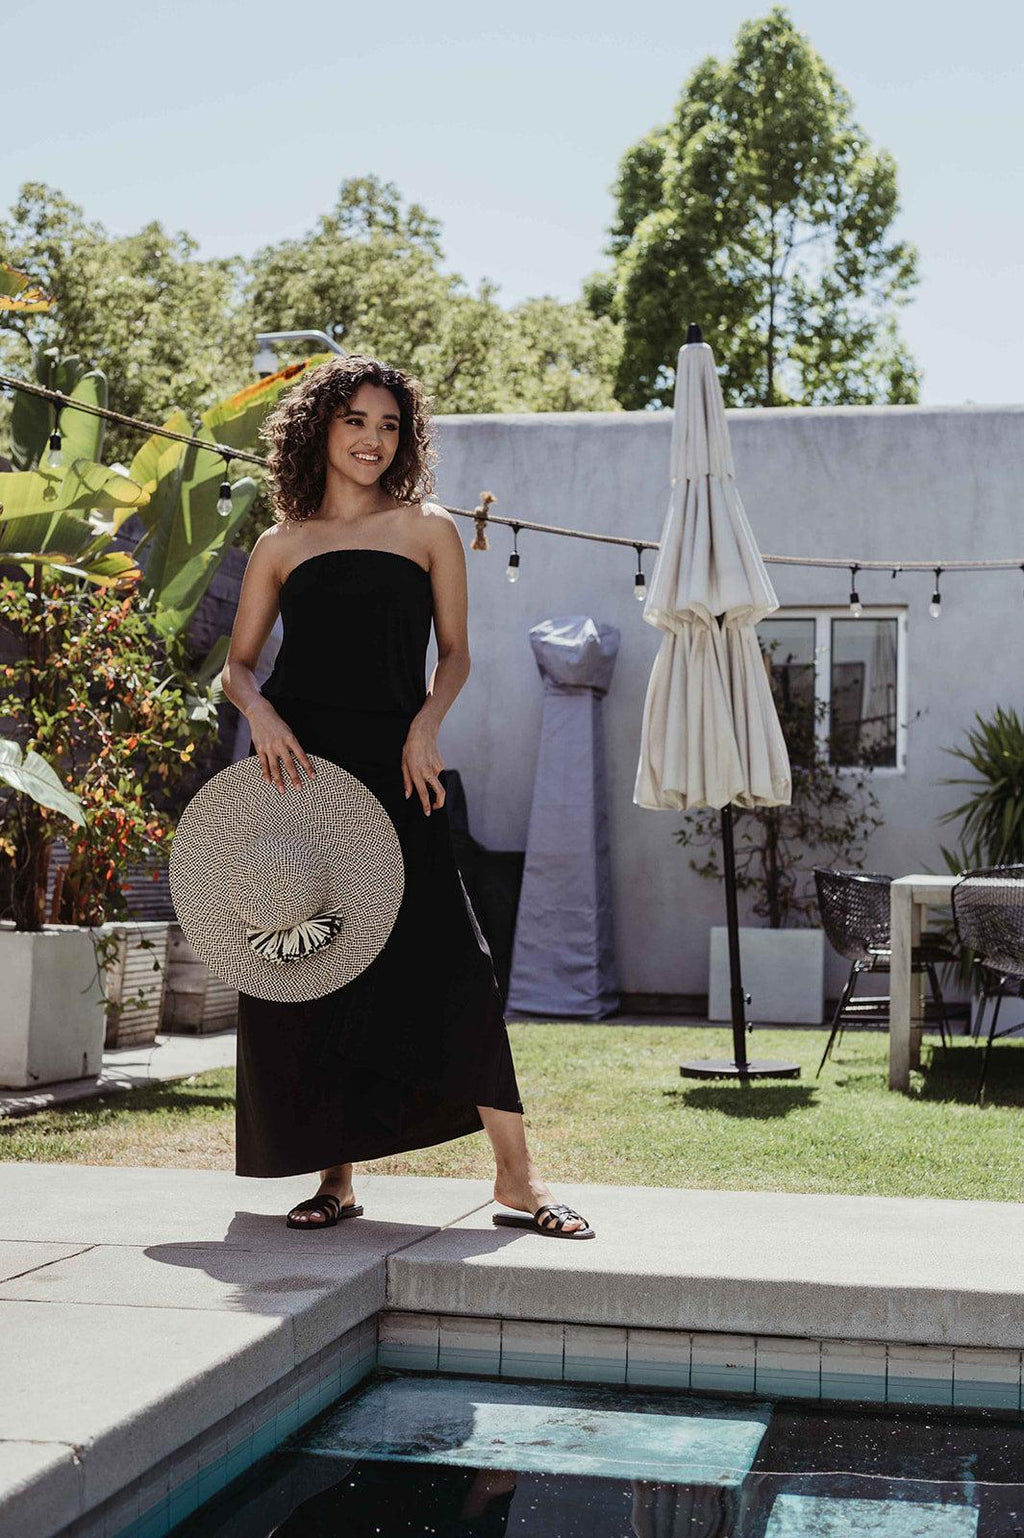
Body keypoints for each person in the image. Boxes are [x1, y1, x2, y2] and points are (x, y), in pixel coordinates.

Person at [221, 354, 594, 1240]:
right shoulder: (283, 544)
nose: (372, 440)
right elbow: (238, 666)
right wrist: (265, 719)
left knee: (455, 966)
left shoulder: (426, 528)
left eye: (389, 426)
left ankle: (517, 1179)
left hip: (401, 771)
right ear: (322, 428)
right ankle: (335, 1179)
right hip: (300, 776)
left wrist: (426, 725)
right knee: (311, 966)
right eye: (356, 420)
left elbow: (456, 653)